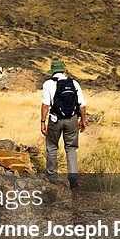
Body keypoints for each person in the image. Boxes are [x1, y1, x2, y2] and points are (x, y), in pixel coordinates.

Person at [40, 59, 87, 188]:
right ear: (63, 70)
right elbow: (82, 106)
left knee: (52, 147)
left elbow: (45, 105)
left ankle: (52, 177)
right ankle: (73, 178)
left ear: (52, 71)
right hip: (72, 119)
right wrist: (83, 121)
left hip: (55, 120)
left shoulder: (48, 84)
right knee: (71, 148)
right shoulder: (74, 83)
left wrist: (43, 122)